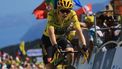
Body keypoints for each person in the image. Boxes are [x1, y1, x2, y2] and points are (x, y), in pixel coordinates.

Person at [41, 0, 87, 67]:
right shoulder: (52, 14)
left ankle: (68, 66)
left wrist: (84, 44)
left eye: (67, 11)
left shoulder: (72, 14)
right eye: (62, 11)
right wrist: (54, 44)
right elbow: (51, 32)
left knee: (70, 51)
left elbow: (78, 30)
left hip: (60, 38)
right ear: (58, 9)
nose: (65, 13)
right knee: (49, 64)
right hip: (47, 39)